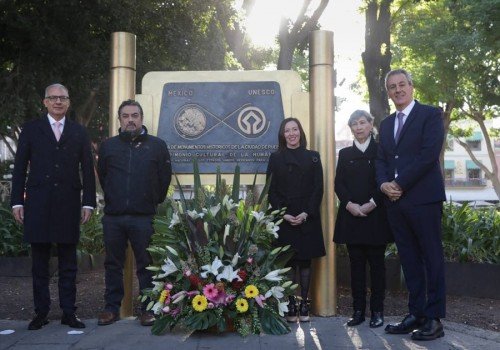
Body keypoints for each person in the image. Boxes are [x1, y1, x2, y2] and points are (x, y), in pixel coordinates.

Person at [11, 83, 96, 330]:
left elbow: (87, 171)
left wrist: (88, 203)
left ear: (68, 102)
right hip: (37, 204)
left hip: (68, 204)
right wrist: (17, 200)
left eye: (63, 98)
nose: (58, 101)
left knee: (68, 263)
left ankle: (69, 312)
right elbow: (19, 168)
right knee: (39, 263)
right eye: (53, 98)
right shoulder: (31, 130)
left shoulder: (79, 132)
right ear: (45, 102)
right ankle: (41, 313)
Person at [376, 69, 446, 341]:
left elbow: (429, 155)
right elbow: (382, 160)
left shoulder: (430, 115)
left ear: (411, 87)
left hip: (423, 199)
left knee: (432, 259)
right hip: (395, 203)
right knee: (409, 260)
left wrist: (399, 184)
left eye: (402, 84)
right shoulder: (385, 124)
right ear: (389, 92)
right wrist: (384, 185)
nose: (397, 90)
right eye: (392, 87)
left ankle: (434, 319)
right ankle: (416, 313)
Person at [97, 99, 172, 327]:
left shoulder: (157, 146)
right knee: (112, 264)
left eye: (135, 115)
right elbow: (103, 176)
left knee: (146, 264)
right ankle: (111, 309)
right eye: (126, 116)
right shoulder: (108, 146)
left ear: (141, 118)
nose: (131, 120)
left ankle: (148, 310)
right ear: (120, 119)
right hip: (114, 217)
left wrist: (150, 200)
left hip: (143, 216)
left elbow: (164, 179)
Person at [334, 110, 393, 328]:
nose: (358, 127)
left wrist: (372, 203)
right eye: (354, 124)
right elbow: (338, 183)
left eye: (362, 123)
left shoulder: (381, 151)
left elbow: (387, 179)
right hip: (351, 216)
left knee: (377, 267)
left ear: (371, 124)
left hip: (376, 216)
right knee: (355, 267)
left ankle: (378, 311)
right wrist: (349, 204)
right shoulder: (345, 153)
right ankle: (358, 311)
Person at [266, 117, 326, 323]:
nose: (291, 133)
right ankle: (291, 304)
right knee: (289, 262)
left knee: (305, 262)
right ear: (283, 135)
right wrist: (282, 213)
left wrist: (306, 213)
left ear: (300, 132)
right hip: (285, 216)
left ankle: (304, 304)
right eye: (287, 130)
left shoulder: (313, 157)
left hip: (306, 216)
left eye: (295, 129)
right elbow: (270, 190)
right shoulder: (275, 158)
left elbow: (318, 189)